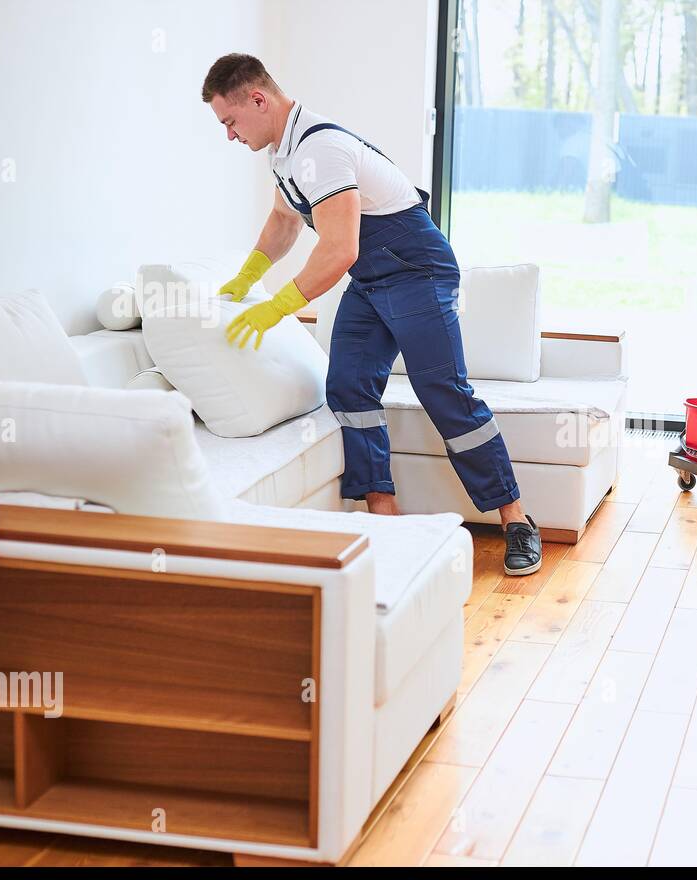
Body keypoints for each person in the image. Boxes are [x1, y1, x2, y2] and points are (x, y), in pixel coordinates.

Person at [202, 53, 541, 574]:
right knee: (349, 386)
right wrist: (248, 276)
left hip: (417, 272)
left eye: (229, 121)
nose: (228, 135)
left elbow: (339, 250)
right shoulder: (285, 152)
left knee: (442, 392)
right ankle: (383, 512)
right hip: (372, 279)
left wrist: (277, 308)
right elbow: (283, 218)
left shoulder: (322, 149)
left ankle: (516, 519)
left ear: (258, 99)